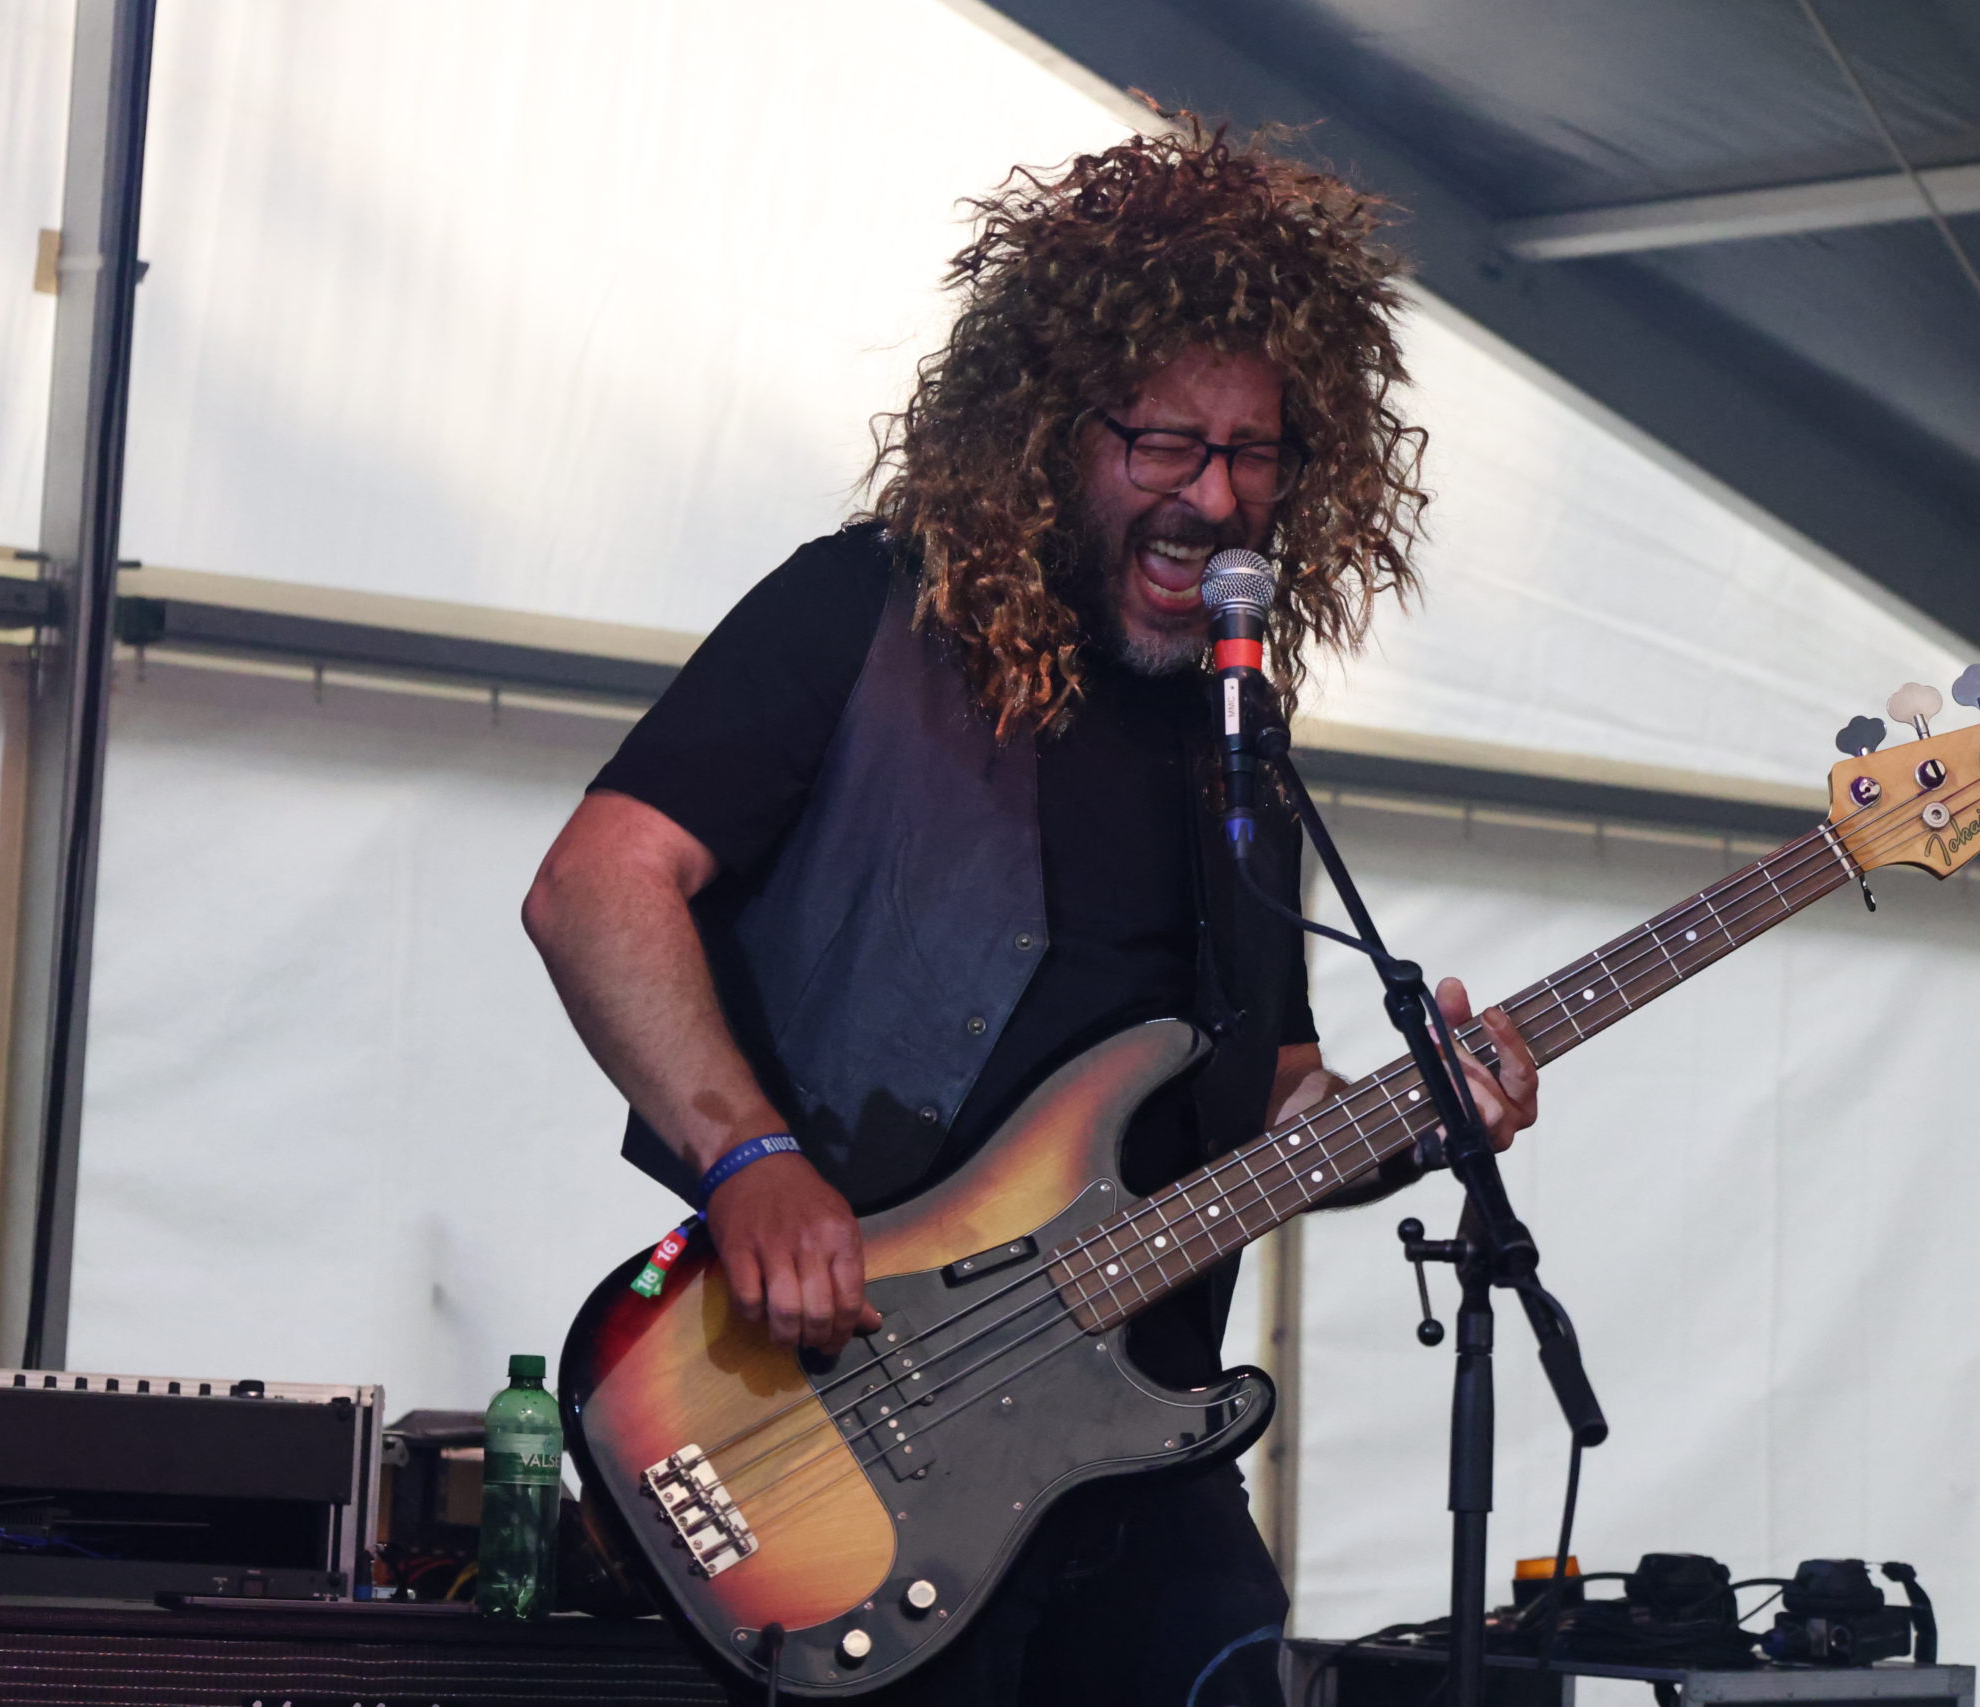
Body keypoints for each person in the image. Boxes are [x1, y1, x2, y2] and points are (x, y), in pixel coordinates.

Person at [522, 123, 1539, 1707]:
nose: (1216, 497)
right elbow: (597, 883)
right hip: (844, 1413)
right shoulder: (865, 615)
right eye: (1167, 444)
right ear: (1049, 431)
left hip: (1134, 1451)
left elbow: (1270, 1091)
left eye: (1256, 454)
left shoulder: (1237, 736)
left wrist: (1414, 1121)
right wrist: (748, 1156)